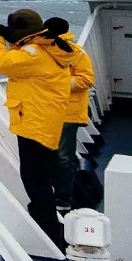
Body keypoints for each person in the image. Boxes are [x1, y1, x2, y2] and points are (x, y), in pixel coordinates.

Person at [0, 9, 72, 242]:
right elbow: (23, 56)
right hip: (45, 121)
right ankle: (47, 219)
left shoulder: (33, 54)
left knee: (35, 179)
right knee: (42, 175)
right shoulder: (49, 48)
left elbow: (3, 63)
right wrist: (15, 39)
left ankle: (48, 231)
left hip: (34, 124)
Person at [43, 18, 96, 212]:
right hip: (49, 111)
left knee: (63, 156)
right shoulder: (46, 51)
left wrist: (60, 83)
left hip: (67, 113)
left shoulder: (75, 53)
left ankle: (63, 200)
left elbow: (87, 79)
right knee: (53, 155)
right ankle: (56, 193)